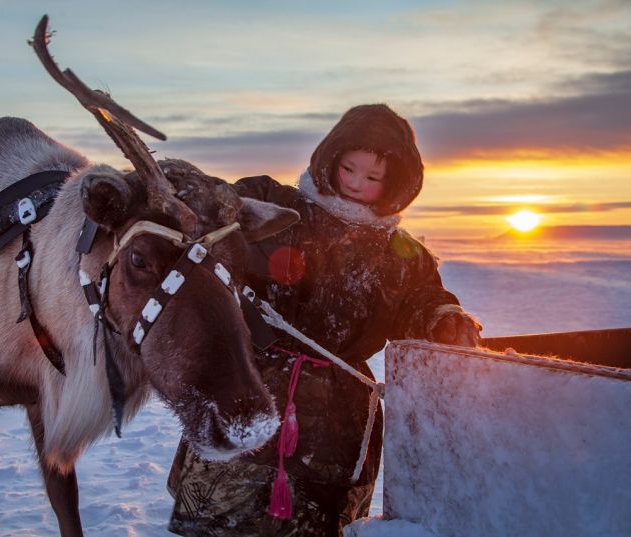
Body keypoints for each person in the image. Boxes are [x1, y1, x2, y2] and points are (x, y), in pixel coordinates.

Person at [166, 104, 481, 536]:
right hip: (251, 390)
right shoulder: (276, 206)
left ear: (397, 185)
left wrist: (444, 317)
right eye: (349, 168)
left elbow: (423, 299)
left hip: (338, 424)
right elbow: (218, 212)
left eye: (373, 179)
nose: (355, 184)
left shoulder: (402, 255)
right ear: (330, 159)